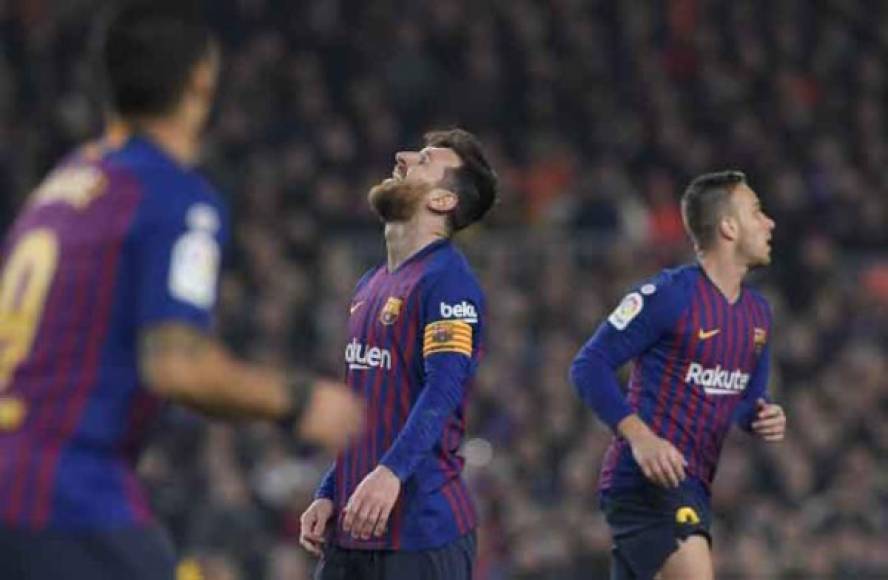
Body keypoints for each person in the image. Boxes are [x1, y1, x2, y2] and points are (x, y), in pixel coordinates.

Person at [0, 3, 362, 579]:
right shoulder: (172, 194)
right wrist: (300, 400)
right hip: (67, 489)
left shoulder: (60, 188)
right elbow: (177, 367)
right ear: (201, 79)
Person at [299, 128, 498, 580]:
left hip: (419, 532)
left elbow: (444, 386)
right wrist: (332, 486)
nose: (402, 156)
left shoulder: (447, 281)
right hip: (352, 526)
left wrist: (391, 472)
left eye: (425, 159)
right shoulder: (370, 283)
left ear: (444, 201)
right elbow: (368, 404)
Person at [570, 170, 787, 580]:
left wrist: (763, 414)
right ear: (728, 226)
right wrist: (641, 437)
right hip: (647, 485)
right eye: (757, 211)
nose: (769, 222)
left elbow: (745, 400)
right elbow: (588, 366)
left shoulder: (759, 314)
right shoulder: (670, 295)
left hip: (695, 487)